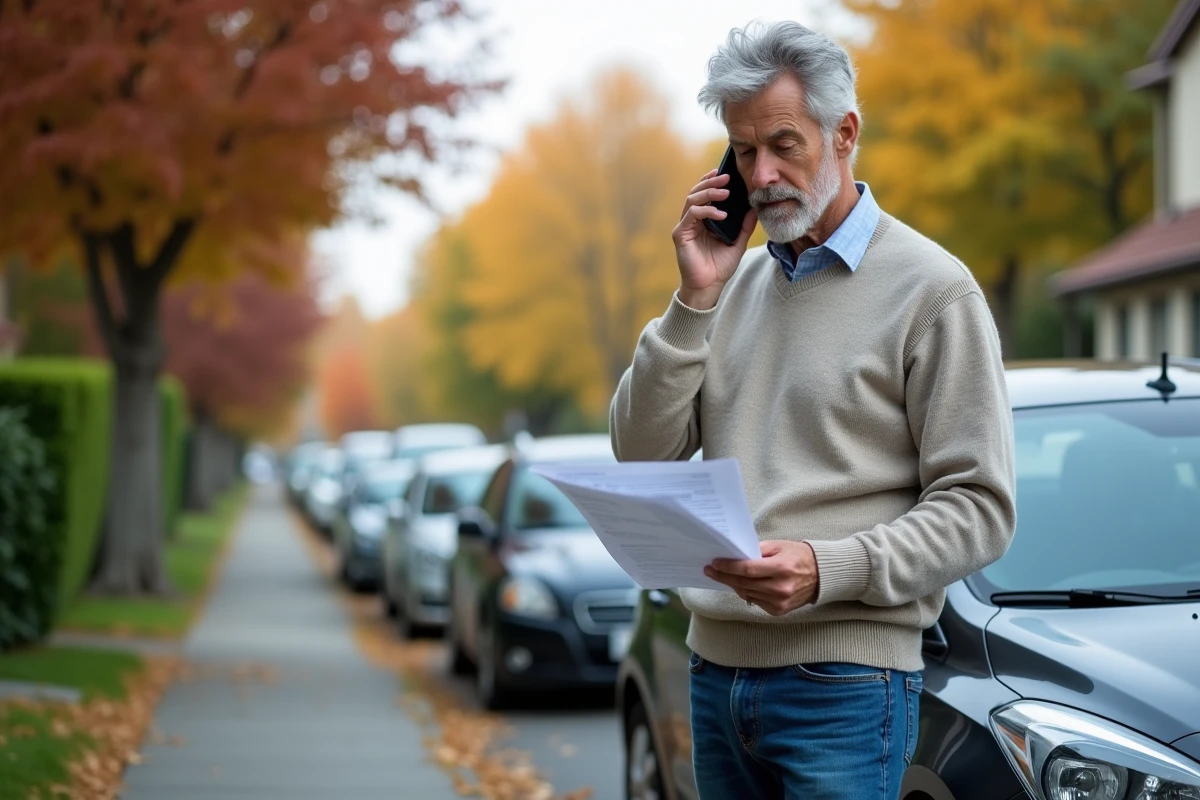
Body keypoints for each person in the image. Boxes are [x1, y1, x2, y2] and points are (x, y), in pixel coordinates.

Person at [608, 21, 1017, 800]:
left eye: (784, 145)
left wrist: (830, 567)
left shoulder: (935, 291)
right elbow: (640, 455)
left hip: (847, 685)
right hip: (714, 672)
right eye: (743, 150)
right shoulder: (725, 289)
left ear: (845, 133)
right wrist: (694, 299)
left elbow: (981, 511)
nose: (762, 176)